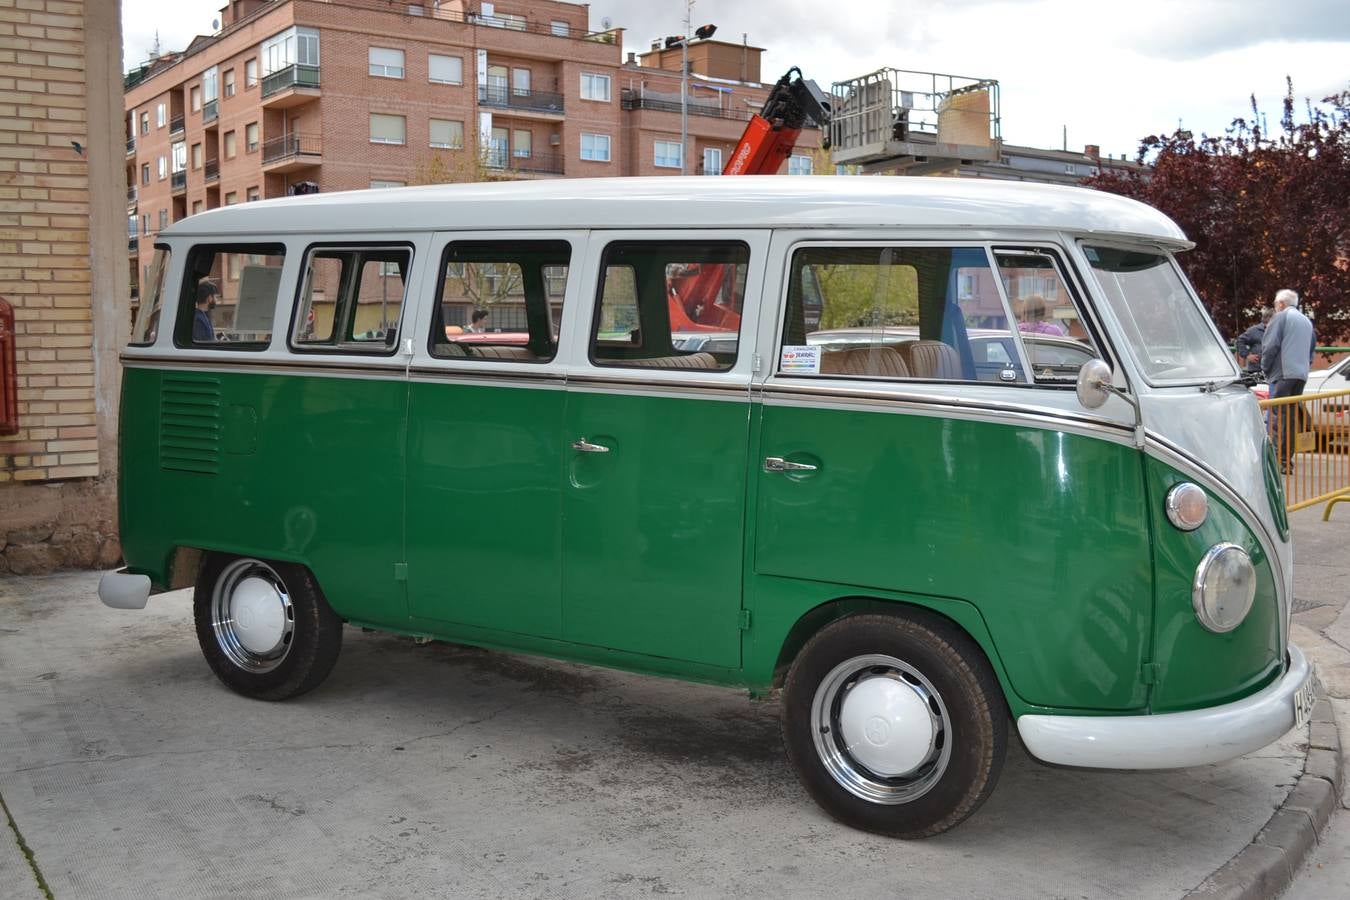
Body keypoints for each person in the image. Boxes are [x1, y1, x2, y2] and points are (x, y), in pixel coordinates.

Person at [1261, 288, 1316, 472]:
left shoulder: (1281, 317)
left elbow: (1270, 346)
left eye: (1276, 304)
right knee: (1291, 418)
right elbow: (1311, 349)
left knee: (1277, 417)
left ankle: (1277, 460)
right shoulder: (1306, 321)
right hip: (1300, 375)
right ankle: (1286, 460)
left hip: (1282, 374)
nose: (1275, 308)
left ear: (1281, 304)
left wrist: (1265, 368)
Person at [1235, 308, 1271, 373]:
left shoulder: (1276, 330)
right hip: (1256, 370)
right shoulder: (1254, 330)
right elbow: (1239, 341)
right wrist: (1247, 355)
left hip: (1273, 370)